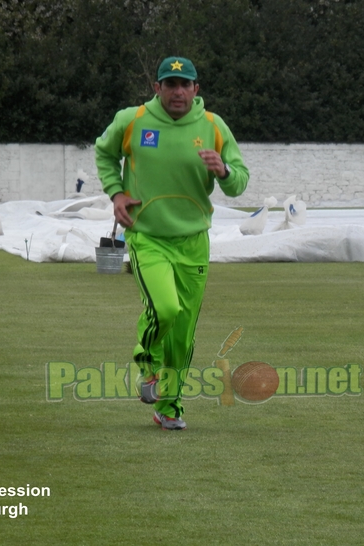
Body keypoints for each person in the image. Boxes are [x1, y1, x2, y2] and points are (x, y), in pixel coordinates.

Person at [95, 56, 249, 430]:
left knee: (182, 334)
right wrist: (116, 193)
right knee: (164, 310)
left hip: (194, 242)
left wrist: (224, 170)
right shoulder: (132, 120)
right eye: (170, 84)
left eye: (185, 85)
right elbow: (104, 152)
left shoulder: (213, 126)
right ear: (157, 88)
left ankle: (169, 407)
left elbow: (239, 180)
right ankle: (147, 365)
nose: (177, 92)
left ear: (196, 89)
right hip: (148, 237)